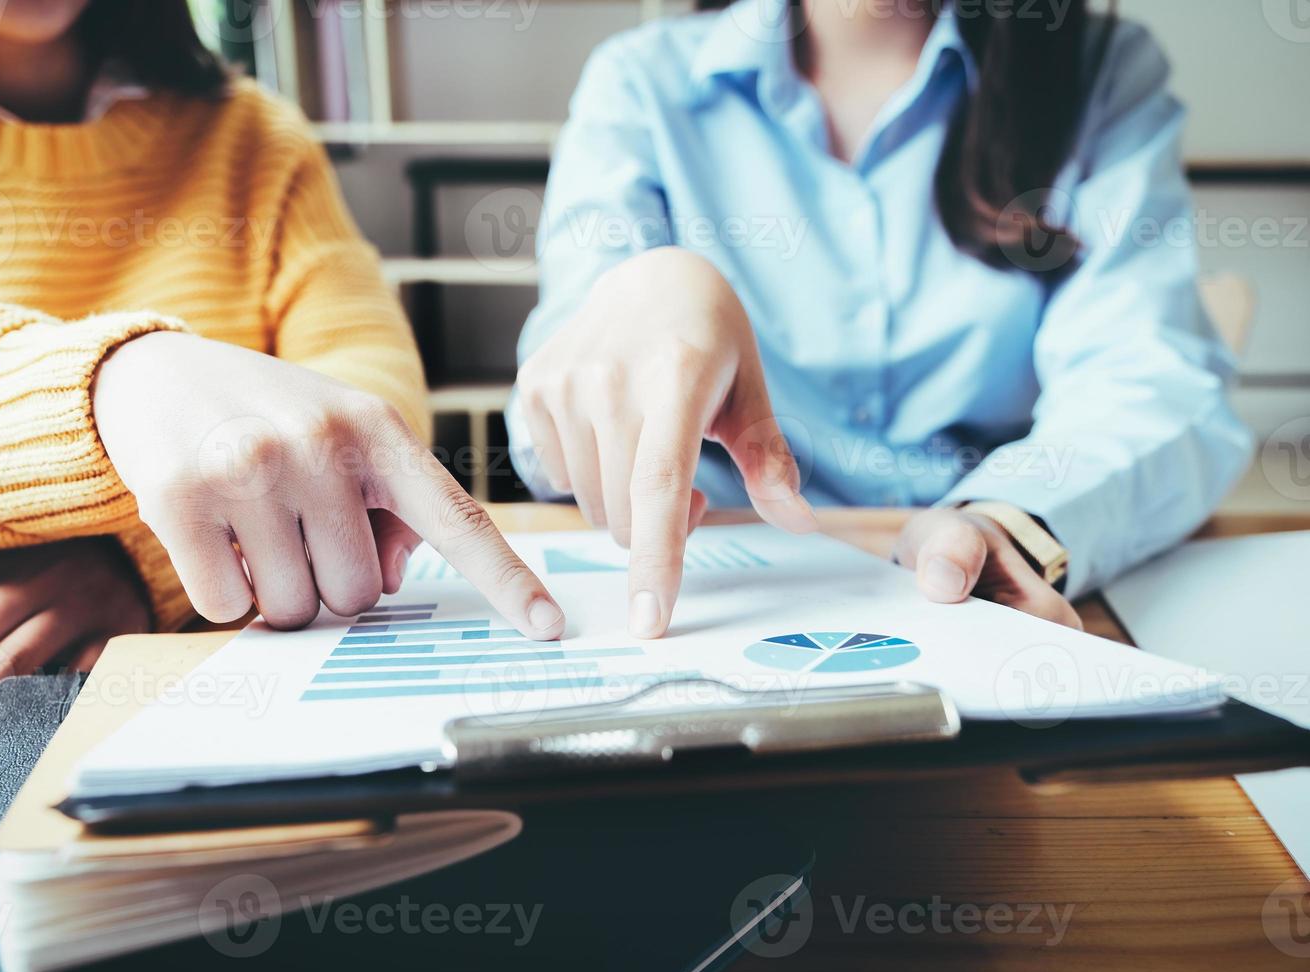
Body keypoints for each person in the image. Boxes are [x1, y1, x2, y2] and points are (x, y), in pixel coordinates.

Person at [0, 0, 564, 783]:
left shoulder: (254, 137)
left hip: (228, 692)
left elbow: (365, 415)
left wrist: (138, 563)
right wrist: (112, 397)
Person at [511, 0, 1251, 639]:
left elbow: (1146, 374)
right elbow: (543, 433)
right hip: (722, 590)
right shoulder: (640, 82)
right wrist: (644, 301)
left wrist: (1006, 522)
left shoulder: (1099, 71)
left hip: (981, 594)